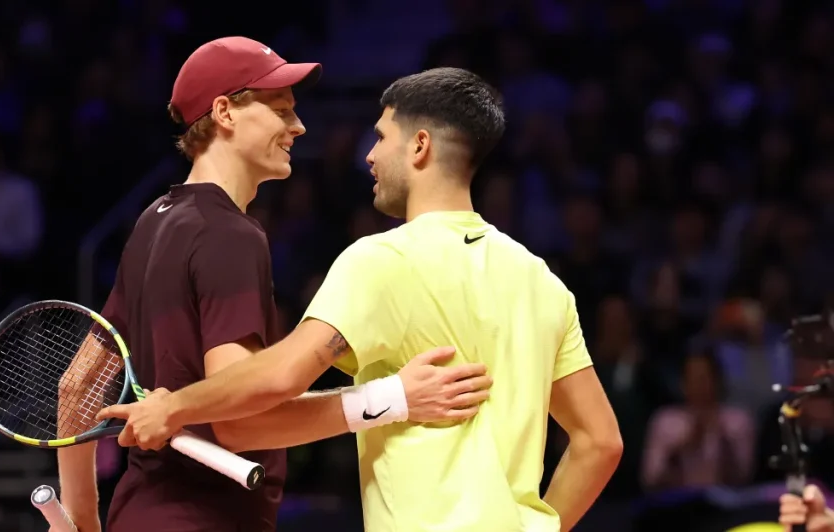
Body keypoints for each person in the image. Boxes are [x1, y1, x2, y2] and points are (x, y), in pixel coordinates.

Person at [98, 67, 624, 531]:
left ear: (419, 146)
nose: (369, 155)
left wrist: (176, 406)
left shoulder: (379, 260)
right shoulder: (542, 281)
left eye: (380, 137)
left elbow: (278, 379)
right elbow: (601, 443)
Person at [58, 38, 492, 532]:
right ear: (224, 112)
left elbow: (77, 387)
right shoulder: (230, 234)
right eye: (282, 110)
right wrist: (394, 399)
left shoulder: (153, 221)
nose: (299, 126)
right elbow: (240, 422)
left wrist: (81, 520)